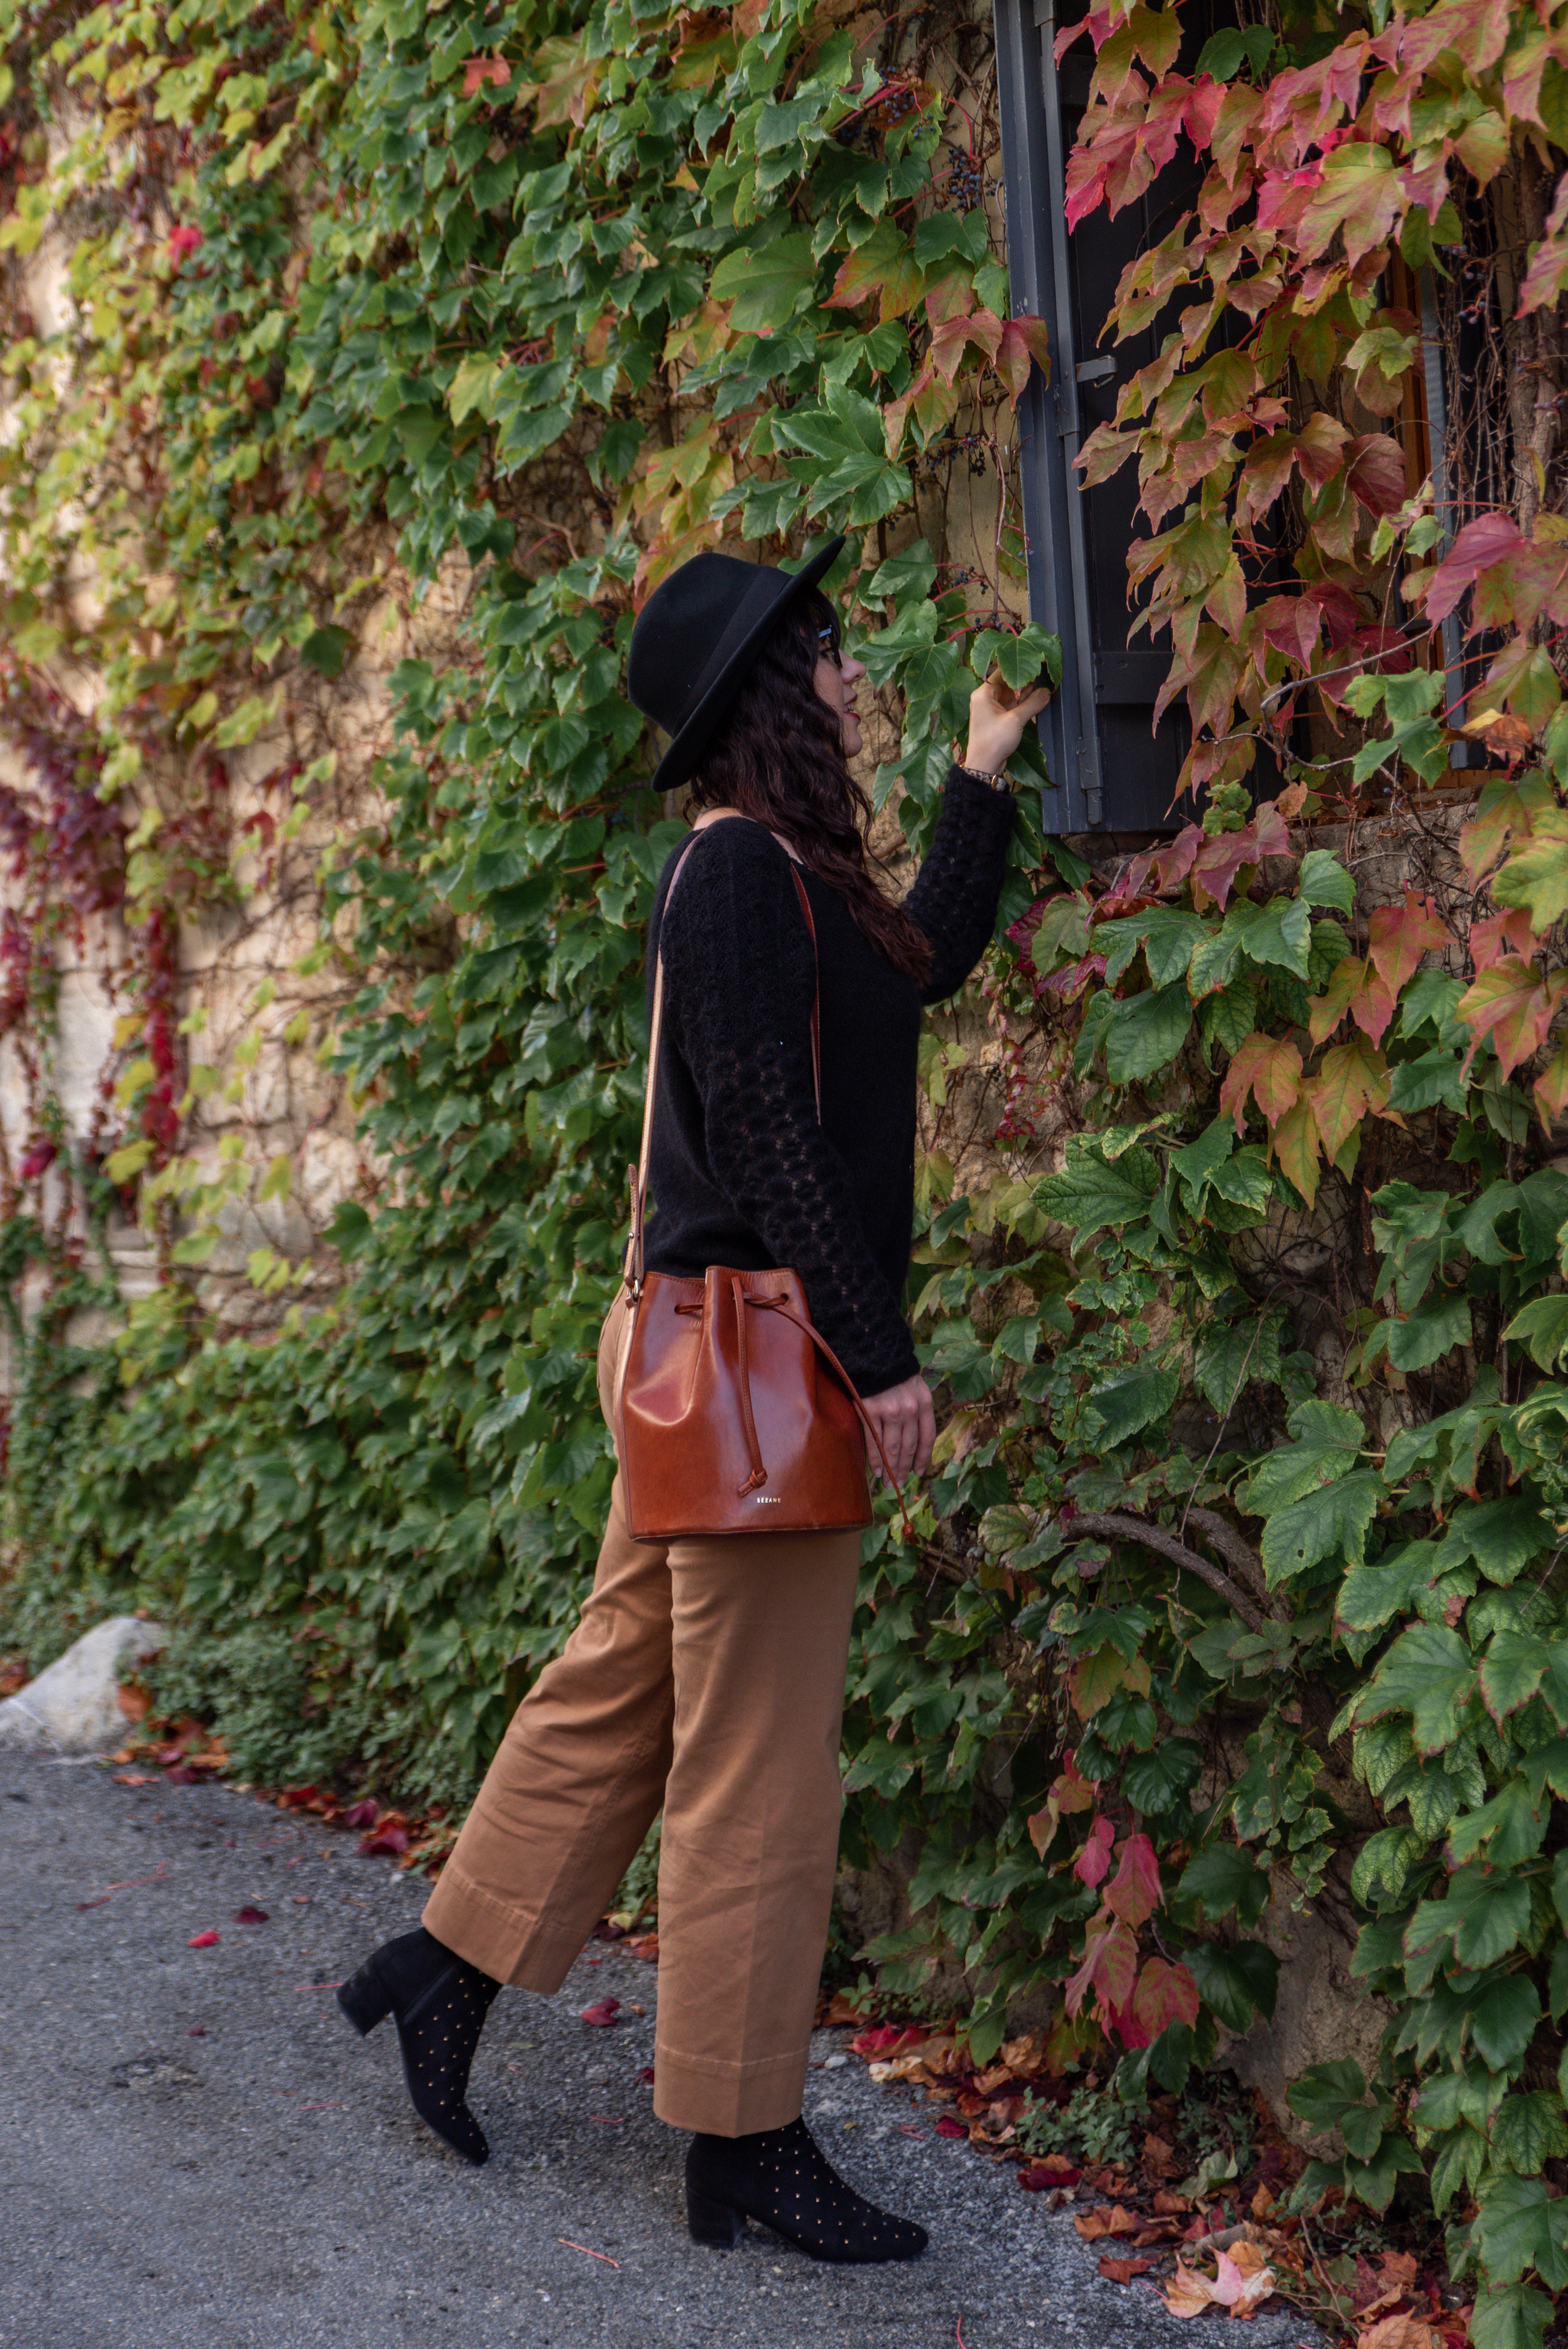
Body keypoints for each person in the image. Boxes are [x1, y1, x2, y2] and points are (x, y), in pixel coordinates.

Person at [339, 534, 1046, 2262]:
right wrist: (876, 1361)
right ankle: (742, 2141)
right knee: (759, 1769)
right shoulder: (733, 876)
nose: (855, 678)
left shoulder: (795, 875)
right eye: (833, 655)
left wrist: (978, 770)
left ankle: (444, 1964)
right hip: (756, 1367)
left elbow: (921, 964)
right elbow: (760, 1128)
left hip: (702, 1356)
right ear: (777, 693)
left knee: (619, 1693)